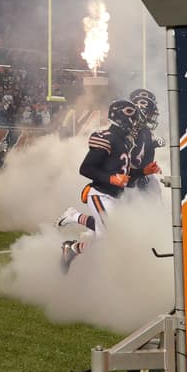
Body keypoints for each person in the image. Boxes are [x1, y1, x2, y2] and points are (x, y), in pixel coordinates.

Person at [57, 99, 153, 272]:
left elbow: (124, 174)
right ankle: (73, 237)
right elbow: (86, 168)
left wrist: (143, 171)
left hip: (115, 197)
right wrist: (111, 179)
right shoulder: (106, 138)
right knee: (110, 238)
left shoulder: (125, 142)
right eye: (133, 120)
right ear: (122, 117)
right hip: (100, 194)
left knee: (110, 235)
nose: (135, 125)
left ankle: (73, 236)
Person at [126, 88, 163, 196]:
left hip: (138, 175)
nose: (150, 116)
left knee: (153, 186)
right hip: (124, 177)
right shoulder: (126, 129)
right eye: (147, 112)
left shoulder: (146, 132)